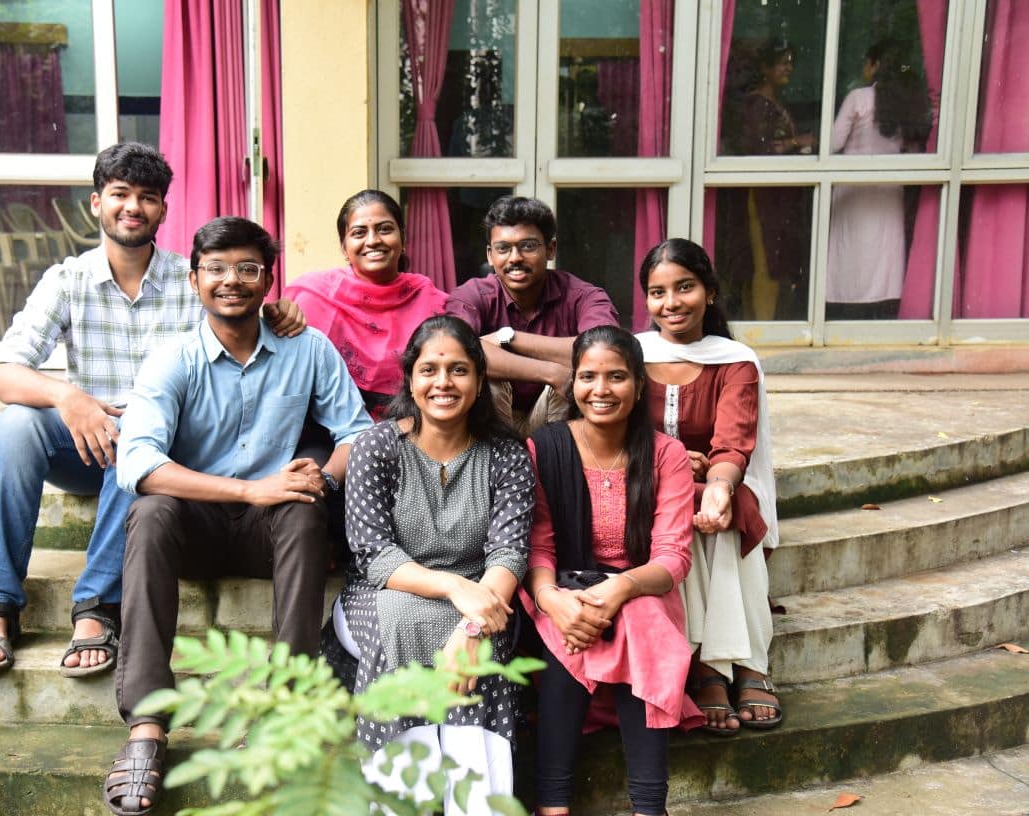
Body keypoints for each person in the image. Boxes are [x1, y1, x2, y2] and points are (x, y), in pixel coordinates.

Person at [0, 143, 305, 678]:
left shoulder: (194, 281)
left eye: (148, 197)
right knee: (14, 427)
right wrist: (68, 397)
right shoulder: (68, 280)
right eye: (120, 194)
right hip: (83, 442)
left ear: (163, 209)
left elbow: (241, 316)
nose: (133, 207)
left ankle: (97, 606)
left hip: (159, 449)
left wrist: (277, 310)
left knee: (137, 443)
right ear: (97, 203)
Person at [102, 216, 372, 816]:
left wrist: (321, 479)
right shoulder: (173, 358)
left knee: (302, 508)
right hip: (193, 527)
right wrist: (251, 491)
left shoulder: (307, 349)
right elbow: (137, 462)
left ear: (268, 279)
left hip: (269, 533)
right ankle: (147, 724)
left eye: (248, 268)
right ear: (194, 279)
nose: (232, 280)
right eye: (217, 268)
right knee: (150, 512)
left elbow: (357, 434)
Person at [322, 315, 535, 816]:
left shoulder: (506, 455)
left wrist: (473, 626)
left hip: (483, 600)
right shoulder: (376, 447)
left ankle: (479, 806)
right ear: (410, 379)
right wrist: (456, 589)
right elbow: (374, 555)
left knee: (480, 648)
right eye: (429, 370)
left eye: (458, 370)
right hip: (381, 596)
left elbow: (508, 553)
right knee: (401, 619)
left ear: (480, 381)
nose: (444, 383)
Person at [522, 325, 698, 816]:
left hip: (641, 589)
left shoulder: (666, 454)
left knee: (640, 620)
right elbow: (538, 546)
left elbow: (672, 557)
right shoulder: (546, 447)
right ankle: (553, 804)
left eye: (616, 377)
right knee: (569, 627)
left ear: (639, 385)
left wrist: (621, 587)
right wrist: (552, 600)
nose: (601, 390)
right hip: (562, 586)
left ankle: (649, 807)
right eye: (588, 377)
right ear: (573, 383)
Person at [636, 238, 781, 736]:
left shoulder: (735, 360)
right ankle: (709, 667)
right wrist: (673, 460)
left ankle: (743, 662)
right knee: (678, 504)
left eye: (685, 288)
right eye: (658, 292)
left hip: (720, 482)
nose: (671, 303)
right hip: (649, 478)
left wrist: (717, 486)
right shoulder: (632, 354)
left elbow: (733, 440)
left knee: (723, 510)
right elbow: (612, 423)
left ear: (710, 292)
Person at [445, 196, 620, 436]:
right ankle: (499, 458)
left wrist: (508, 338)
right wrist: (550, 372)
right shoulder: (472, 295)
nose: (515, 257)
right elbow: (453, 351)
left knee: (578, 378)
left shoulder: (582, 296)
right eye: (503, 248)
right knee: (487, 380)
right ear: (490, 255)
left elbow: (606, 351)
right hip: (490, 425)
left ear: (551, 249)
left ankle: (554, 456)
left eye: (527, 246)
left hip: (558, 414)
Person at [284, 189, 448, 419]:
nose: (373, 241)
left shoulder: (432, 302)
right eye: (359, 232)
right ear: (344, 247)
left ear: (403, 239)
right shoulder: (314, 295)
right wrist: (275, 313)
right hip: (327, 428)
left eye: (385, 229)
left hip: (416, 426)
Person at [827, 41, 931, 320]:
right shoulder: (909, 103)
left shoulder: (858, 98)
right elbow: (914, 152)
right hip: (889, 192)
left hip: (853, 191)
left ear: (874, 66)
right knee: (883, 263)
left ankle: (846, 316)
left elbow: (833, 143)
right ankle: (879, 318)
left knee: (849, 262)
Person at [734, 38, 815, 321]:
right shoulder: (757, 105)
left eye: (791, 62)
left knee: (775, 260)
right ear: (765, 67)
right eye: (782, 62)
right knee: (765, 261)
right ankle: (762, 325)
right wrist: (798, 141)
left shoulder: (773, 103)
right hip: (762, 196)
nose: (788, 68)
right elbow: (759, 149)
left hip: (778, 197)